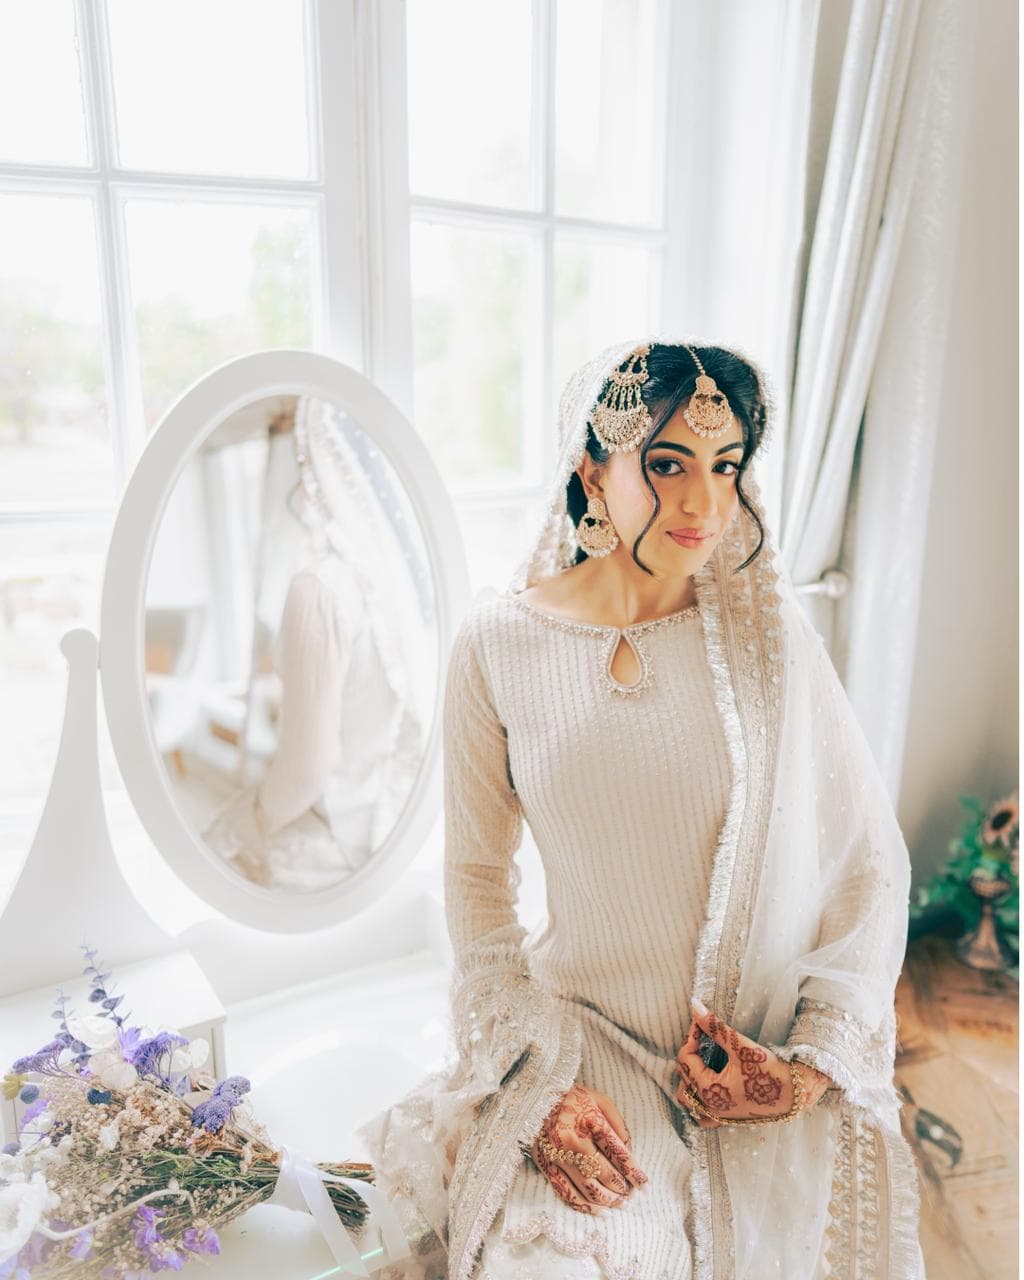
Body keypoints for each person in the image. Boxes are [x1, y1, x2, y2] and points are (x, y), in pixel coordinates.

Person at [357, 339, 925, 1279]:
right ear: (592, 468)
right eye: (666, 464)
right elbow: (475, 879)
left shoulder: (770, 642)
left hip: (744, 1064)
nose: (704, 502)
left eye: (726, 466)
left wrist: (805, 1068)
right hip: (581, 1054)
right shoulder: (500, 643)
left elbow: (868, 863)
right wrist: (532, 1082)